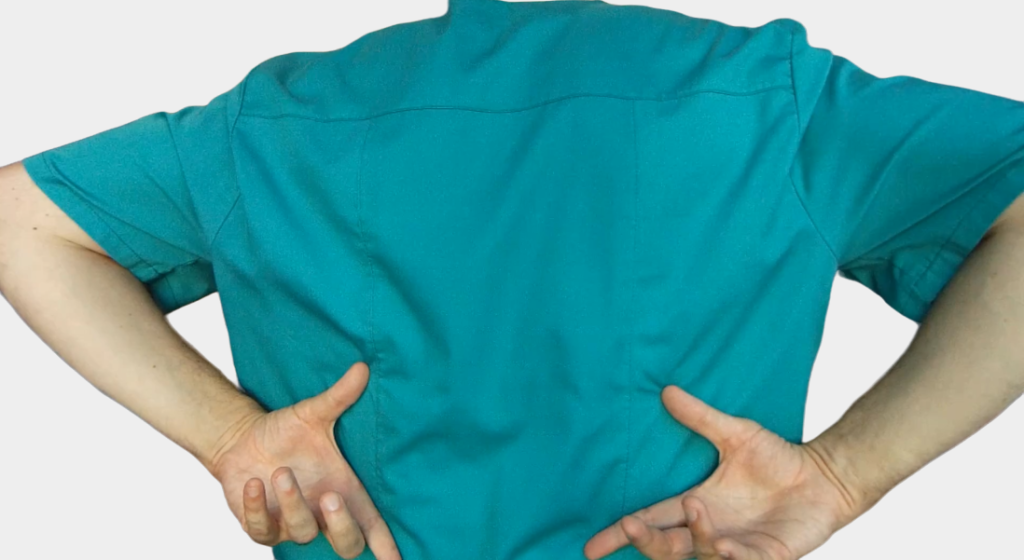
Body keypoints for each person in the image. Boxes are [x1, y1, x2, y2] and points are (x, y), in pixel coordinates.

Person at [1, 0, 1022, 559]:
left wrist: (230, 438)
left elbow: (21, 220)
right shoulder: (770, 102)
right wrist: (844, 474)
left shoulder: (280, 119)